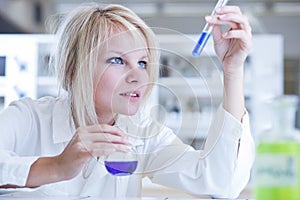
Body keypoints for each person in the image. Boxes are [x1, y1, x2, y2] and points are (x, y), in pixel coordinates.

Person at [0, 2, 255, 198]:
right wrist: (56, 166)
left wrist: (232, 70)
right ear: (72, 68)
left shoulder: (143, 135)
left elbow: (222, 181)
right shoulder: (28, 119)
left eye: (142, 63)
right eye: (118, 60)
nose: (137, 77)